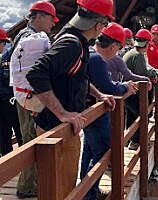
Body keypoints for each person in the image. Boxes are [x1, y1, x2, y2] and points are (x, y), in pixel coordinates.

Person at [26, 0, 116, 198]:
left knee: (64, 187)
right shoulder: (71, 44)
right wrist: (62, 113)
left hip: (63, 127)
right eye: (105, 24)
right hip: (57, 129)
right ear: (98, 25)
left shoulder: (76, 40)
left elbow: (78, 78)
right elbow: (36, 74)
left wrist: (99, 95)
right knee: (62, 190)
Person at [80, 22, 138, 200]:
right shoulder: (97, 58)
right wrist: (125, 87)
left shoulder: (87, 53)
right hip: (94, 111)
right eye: (118, 47)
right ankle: (88, 195)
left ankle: (87, 190)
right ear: (114, 45)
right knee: (104, 152)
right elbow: (107, 86)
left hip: (86, 110)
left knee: (90, 150)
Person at [8, 1, 58, 198]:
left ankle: (30, 184)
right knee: (31, 139)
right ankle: (27, 187)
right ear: (39, 17)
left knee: (28, 138)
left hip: (22, 96)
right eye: (51, 19)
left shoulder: (22, 35)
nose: (53, 24)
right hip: (30, 97)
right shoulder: (33, 39)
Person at [123, 29, 157, 150]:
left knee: (131, 117)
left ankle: (129, 140)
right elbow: (142, 73)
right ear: (147, 44)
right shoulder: (138, 55)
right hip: (135, 92)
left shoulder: (133, 52)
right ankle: (136, 142)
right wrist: (153, 73)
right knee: (142, 115)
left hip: (128, 92)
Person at [0, 28, 22, 157]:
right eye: (3, 42)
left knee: (4, 135)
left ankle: (7, 167)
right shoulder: (6, 58)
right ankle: (22, 165)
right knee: (19, 132)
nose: (4, 45)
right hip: (9, 100)